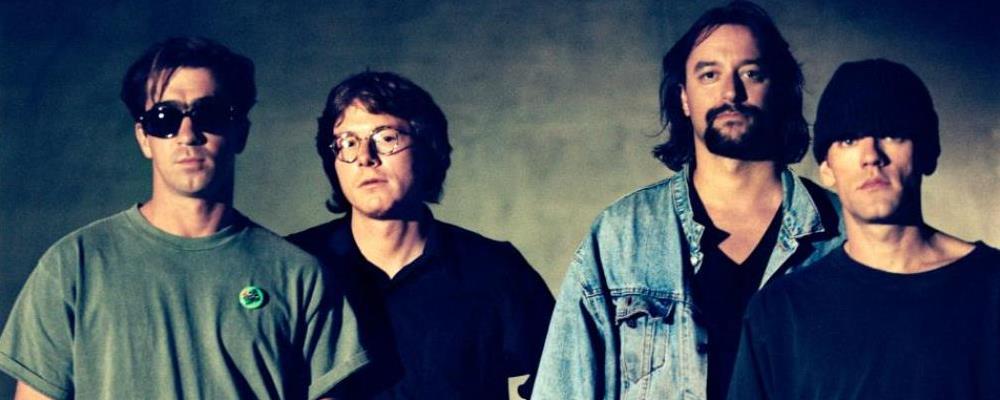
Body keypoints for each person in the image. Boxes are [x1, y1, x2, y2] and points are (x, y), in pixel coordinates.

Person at [0, 37, 369, 399]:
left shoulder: (298, 276)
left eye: (209, 114)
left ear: (240, 132)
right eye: (165, 118)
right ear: (144, 138)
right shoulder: (74, 266)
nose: (188, 134)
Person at [533, 2, 845, 399]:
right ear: (683, 97)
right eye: (709, 74)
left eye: (751, 73)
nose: (731, 92)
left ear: (781, 90)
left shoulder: (843, 235)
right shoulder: (622, 237)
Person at [727, 59, 1000, 400]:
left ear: (928, 152)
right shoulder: (780, 313)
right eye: (848, 140)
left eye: (892, 134)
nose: (871, 155)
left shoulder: (991, 288)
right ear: (827, 168)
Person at [287, 71, 554, 399]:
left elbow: (563, 382)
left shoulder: (495, 268)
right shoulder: (294, 266)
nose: (366, 157)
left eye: (386, 138)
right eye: (348, 142)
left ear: (428, 149)